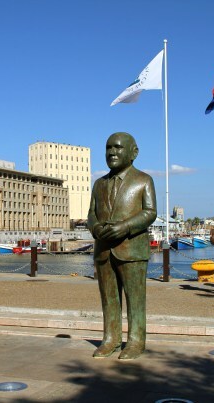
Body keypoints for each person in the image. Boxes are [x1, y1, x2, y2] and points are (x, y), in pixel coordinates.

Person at [88, 132, 157, 360]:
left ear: (133, 153)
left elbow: (150, 212)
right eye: (108, 148)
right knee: (108, 298)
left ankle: (136, 341)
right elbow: (91, 214)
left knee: (135, 298)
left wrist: (125, 227)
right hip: (104, 249)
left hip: (132, 248)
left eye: (117, 148)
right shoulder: (99, 183)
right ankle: (111, 338)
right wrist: (96, 228)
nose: (112, 152)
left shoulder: (143, 180)